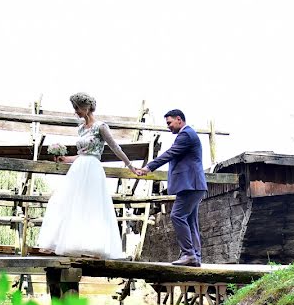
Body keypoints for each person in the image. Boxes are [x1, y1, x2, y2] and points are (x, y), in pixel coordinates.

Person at [37, 92, 137, 259]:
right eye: (74, 108)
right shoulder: (81, 129)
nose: (76, 111)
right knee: (63, 201)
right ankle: (65, 243)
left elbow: (115, 148)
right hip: (78, 168)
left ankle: (92, 247)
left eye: (77, 107)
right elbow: (81, 154)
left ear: (87, 107)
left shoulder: (101, 127)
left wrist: (130, 166)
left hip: (92, 169)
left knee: (91, 206)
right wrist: (64, 158)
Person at [135, 109, 207, 267]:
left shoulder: (186, 134)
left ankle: (189, 254)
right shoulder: (187, 134)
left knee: (177, 216)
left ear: (179, 119)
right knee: (190, 220)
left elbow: (170, 154)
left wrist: (148, 167)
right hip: (193, 185)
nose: (168, 126)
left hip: (190, 185)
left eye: (169, 122)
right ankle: (195, 256)